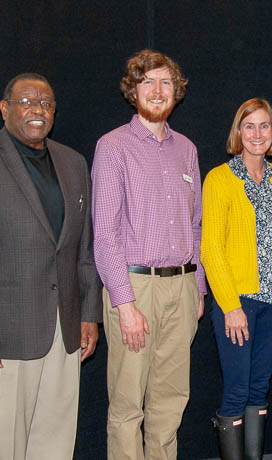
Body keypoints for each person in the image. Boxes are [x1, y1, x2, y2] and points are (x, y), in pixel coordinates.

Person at [91, 50, 206, 460]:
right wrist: (124, 303)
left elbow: (196, 226)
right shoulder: (113, 147)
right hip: (134, 288)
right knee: (127, 405)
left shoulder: (187, 149)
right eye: (147, 82)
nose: (157, 91)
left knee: (171, 400)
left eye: (165, 83)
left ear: (176, 92)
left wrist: (199, 289)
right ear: (133, 90)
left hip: (183, 288)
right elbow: (104, 234)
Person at [0, 73, 101, 460]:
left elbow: (82, 248)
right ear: (5, 108)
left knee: (55, 440)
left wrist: (90, 314)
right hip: (10, 333)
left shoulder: (72, 162)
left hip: (65, 329)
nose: (38, 110)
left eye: (46, 103)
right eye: (26, 102)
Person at [201, 97, 272, 460]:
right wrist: (230, 306)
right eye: (249, 126)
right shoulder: (219, 179)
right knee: (237, 390)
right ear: (238, 132)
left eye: (264, 125)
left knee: (259, 389)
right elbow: (211, 249)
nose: (257, 133)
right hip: (237, 303)